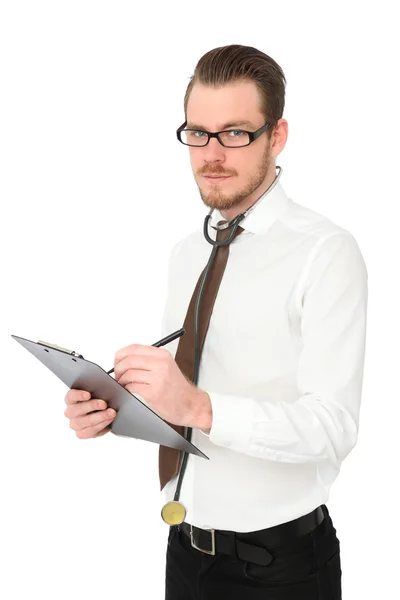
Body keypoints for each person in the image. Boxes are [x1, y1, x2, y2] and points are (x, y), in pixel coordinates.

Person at [63, 44, 368, 599]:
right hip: (185, 551)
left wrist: (197, 407)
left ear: (276, 137)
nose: (212, 153)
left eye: (235, 133)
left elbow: (334, 428)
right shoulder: (188, 252)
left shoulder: (326, 251)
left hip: (281, 569)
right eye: (198, 133)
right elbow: (187, 394)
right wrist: (116, 408)